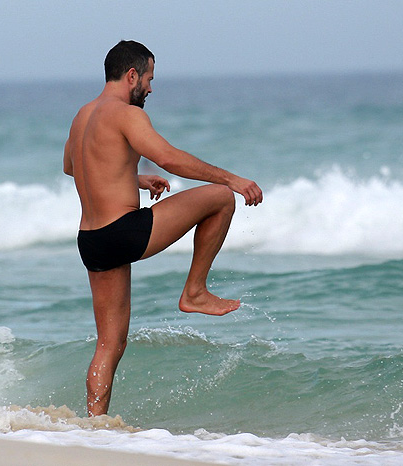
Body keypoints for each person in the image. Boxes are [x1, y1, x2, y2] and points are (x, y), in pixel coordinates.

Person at [63, 40, 263, 416]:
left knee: (109, 343)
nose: (151, 89)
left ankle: (94, 428)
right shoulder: (126, 113)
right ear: (132, 74)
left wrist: (133, 178)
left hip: (91, 240)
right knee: (221, 198)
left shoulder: (82, 116)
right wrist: (232, 178)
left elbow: (74, 167)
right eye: (150, 79)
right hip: (124, 230)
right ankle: (195, 292)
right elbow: (169, 157)